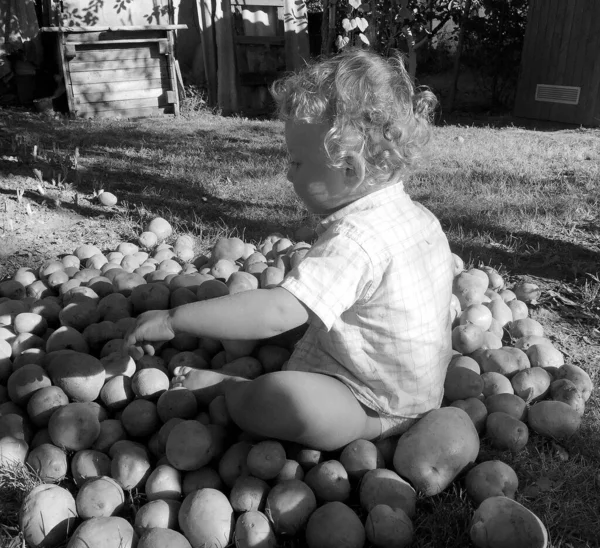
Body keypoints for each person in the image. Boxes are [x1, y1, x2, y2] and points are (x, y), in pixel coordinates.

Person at [124, 48, 454, 452]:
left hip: (371, 402)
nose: (287, 172)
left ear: (351, 169)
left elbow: (277, 311)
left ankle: (230, 387)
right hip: (420, 387)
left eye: (297, 162)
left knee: (275, 402)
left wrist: (175, 319)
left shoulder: (354, 240)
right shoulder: (419, 217)